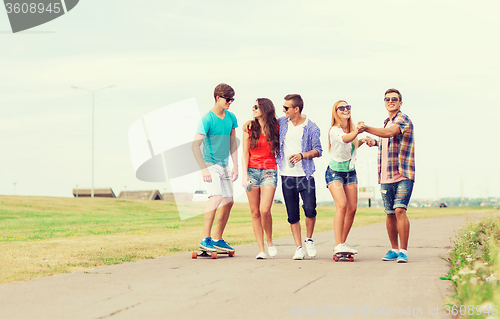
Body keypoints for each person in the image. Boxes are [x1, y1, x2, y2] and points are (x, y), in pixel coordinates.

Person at [357, 88, 415, 263]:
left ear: (400, 103)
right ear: (384, 102)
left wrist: (367, 128)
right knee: (390, 213)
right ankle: (394, 249)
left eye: (394, 99)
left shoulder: (402, 118)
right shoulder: (385, 122)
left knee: (399, 210)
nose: (391, 101)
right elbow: (386, 140)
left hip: (402, 173)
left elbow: (391, 133)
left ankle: (403, 251)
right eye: (387, 99)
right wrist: (374, 142)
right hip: (385, 175)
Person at [191, 83, 239, 254]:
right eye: (228, 99)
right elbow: (195, 146)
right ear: (218, 98)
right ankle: (205, 239)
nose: (230, 102)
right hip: (210, 164)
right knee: (216, 198)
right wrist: (203, 169)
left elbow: (233, 142)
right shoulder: (206, 119)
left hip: (225, 165)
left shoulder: (231, 117)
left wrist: (236, 165)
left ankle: (217, 239)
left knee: (229, 201)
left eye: (232, 99)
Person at [278, 94, 322, 260]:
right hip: (286, 175)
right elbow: (266, 123)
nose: (283, 110)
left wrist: (302, 155)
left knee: (310, 208)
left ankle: (309, 239)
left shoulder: (311, 127)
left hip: (305, 174)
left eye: (286, 108)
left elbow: (318, 150)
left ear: (296, 109)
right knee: (292, 213)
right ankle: (298, 247)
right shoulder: (282, 123)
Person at [326, 100, 367, 255]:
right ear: (335, 112)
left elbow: (350, 146)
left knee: (352, 208)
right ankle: (338, 244)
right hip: (334, 172)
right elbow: (345, 139)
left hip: (350, 172)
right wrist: (358, 132)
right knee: (342, 205)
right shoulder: (334, 130)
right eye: (341, 108)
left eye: (348, 107)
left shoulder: (352, 129)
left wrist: (362, 140)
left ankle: (341, 243)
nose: (345, 109)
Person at [241, 98, 279, 259]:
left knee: (265, 209)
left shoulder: (277, 127)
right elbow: (244, 153)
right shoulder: (249, 128)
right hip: (252, 172)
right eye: (253, 107)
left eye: (256, 107)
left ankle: (270, 241)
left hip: (269, 171)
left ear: (265, 108)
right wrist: (245, 175)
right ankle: (261, 249)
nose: (253, 109)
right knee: (255, 212)